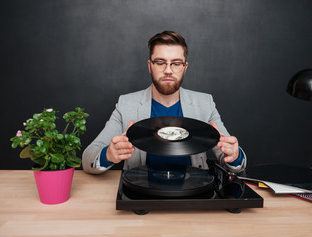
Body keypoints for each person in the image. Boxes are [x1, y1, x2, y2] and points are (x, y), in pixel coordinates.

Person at [82, 31, 247, 174]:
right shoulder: (126, 105)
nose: (168, 70)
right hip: (140, 195)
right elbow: (88, 158)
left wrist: (234, 155)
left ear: (185, 67)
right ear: (150, 66)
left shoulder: (205, 104)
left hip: (195, 196)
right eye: (160, 62)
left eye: (176, 63)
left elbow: (232, 161)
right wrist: (108, 155)